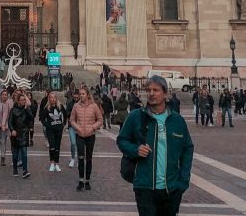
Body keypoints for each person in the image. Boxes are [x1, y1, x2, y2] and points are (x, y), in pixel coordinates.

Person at [117, 76, 195, 216]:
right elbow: (122, 140)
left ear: (165, 94)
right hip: (145, 187)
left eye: (156, 90)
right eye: (148, 90)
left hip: (171, 188)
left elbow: (187, 149)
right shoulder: (136, 116)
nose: (151, 93)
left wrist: (183, 181)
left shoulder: (177, 121)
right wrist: (135, 149)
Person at [69, 84, 103, 191]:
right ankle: (80, 180)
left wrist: (93, 127)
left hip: (90, 135)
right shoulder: (76, 106)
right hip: (79, 134)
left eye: (83, 94)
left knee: (89, 158)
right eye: (80, 94)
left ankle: (87, 181)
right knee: (80, 157)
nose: (81, 96)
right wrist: (77, 127)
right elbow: (72, 120)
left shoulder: (94, 106)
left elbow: (100, 120)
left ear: (87, 95)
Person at [8, 89, 36, 177]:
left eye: (24, 100)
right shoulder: (13, 110)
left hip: (24, 133)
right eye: (21, 100)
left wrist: (27, 110)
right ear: (18, 101)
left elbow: (31, 118)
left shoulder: (26, 109)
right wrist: (12, 130)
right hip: (15, 133)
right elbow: (10, 121)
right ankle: (15, 169)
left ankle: (25, 170)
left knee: (24, 153)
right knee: (15, 154)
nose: (23, 101)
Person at [42, 91, 66, 171]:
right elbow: (42, 119)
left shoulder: (60, 107)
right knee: (52, 146)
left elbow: (65, 115)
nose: (53, 99)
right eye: (51, 98)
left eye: (54, 97)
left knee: (57, 147)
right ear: (49, 99)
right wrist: (47, 125)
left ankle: (57, 163)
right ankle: (52, 162)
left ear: (56, 98)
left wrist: (63, 124)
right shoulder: (47, 108)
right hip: (50, 130)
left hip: (58, 129)